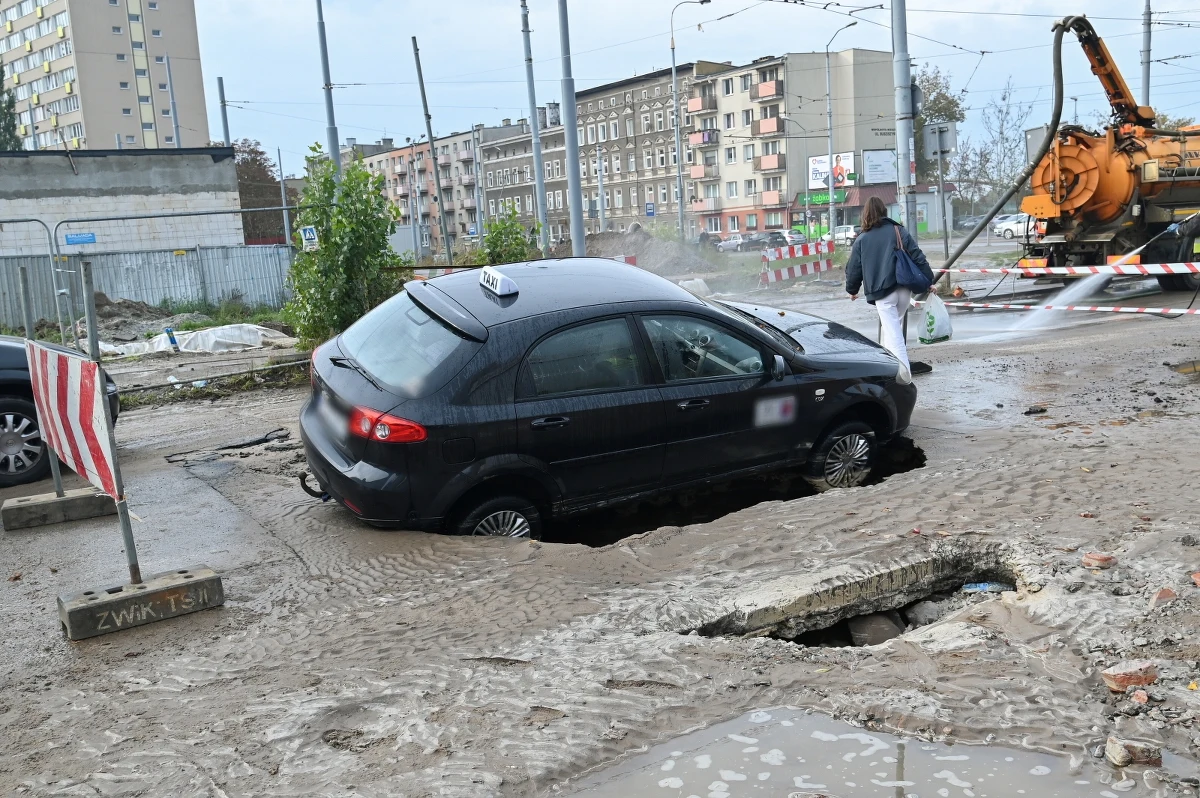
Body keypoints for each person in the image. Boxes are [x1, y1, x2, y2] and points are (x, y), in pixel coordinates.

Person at [845, 196, 936, 384]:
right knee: (891, 329)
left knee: (892, 332)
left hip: (882, 292)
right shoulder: (898, 230)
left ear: (866, 215)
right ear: (884, 212)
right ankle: (887, 369)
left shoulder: (862, 239)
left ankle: (904, 375)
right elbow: (918, 256)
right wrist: (928, 281)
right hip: (904, 288)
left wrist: (852, 289)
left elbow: (854, 268)